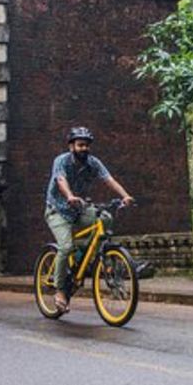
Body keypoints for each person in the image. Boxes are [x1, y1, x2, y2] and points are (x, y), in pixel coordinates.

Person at [44, 126, 133, 314]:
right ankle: (60, 291)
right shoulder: (61, 161)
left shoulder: (93, 163)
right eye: (80, 145)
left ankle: (84, 256)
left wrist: (125, 196)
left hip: (79, 209)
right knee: (66, 247)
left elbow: (108, 179)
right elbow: (60, 180)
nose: (84, 148)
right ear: (71, 146)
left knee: (105, 218)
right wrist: (69, 196)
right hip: (57, 210)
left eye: (87, 145)